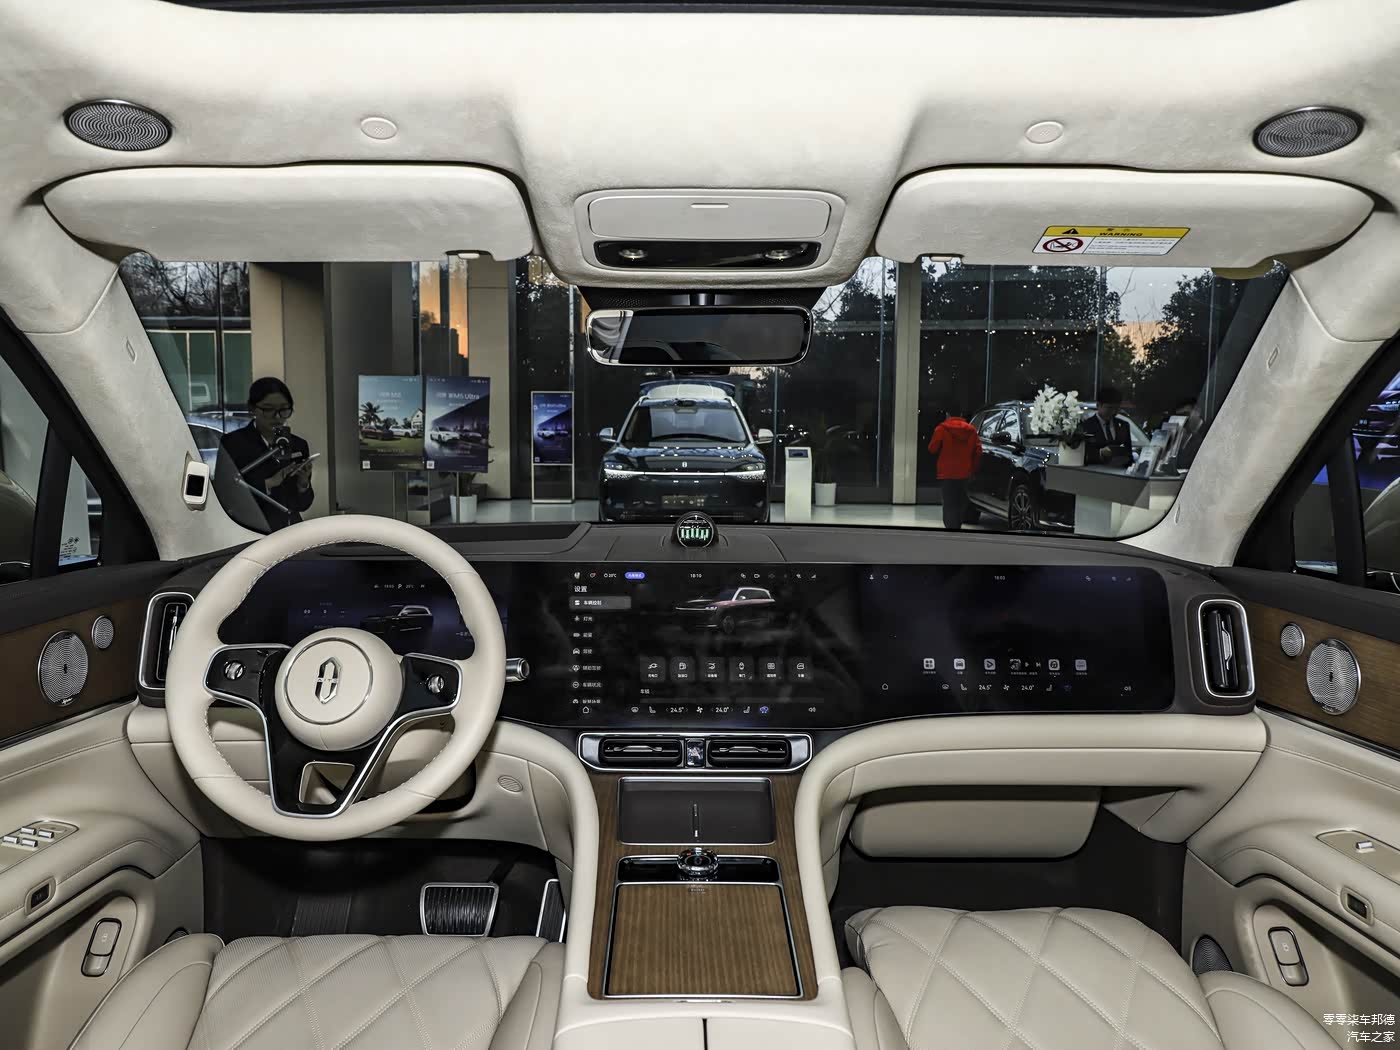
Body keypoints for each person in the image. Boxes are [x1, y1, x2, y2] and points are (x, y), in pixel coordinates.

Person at [217, 377, 314, 531]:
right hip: (250, 531)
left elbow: (303, 505)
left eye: (284, 410)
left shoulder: (298, 445)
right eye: (268, 409)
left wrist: (303, 485)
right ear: (252, 409)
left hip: (291, 530)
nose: (277, 417)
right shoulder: (233, 444)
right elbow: (226, 495)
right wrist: (269, 483)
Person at [927, 406, 982, 531]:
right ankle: (957, 524)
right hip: (964, 472)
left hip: (946, 473)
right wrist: (973, 468)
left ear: (948, 414)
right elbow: (978, 451)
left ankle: (950, 527)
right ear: (961, 414)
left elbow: (932, 448)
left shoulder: (941, 429)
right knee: (960, 501)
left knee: (949, 502)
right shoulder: (971, 430)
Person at [1077, 385, 1134, 467]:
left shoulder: (1124, 425)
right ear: (1098, 405)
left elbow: (1129, 453)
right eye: (1110, 408)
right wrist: (1100, 453)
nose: (1113, 412)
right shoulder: (1085, 426)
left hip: (1120, 471)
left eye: (1117, 408)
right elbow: (1080, 455)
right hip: (1094, 471)